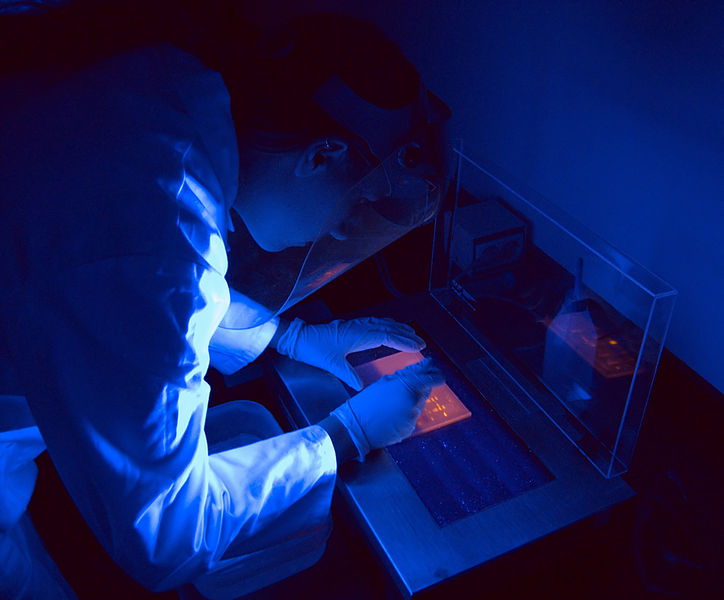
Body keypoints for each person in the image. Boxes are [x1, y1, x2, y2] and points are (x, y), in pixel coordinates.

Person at [0, 2, 450, 598]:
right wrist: (348, 434)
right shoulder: (154, 236)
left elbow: (148, 298)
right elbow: (165, 535)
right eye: (358, 200)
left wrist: (289, 336)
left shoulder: (174, 95)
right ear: (321, 155)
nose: (344, 229)